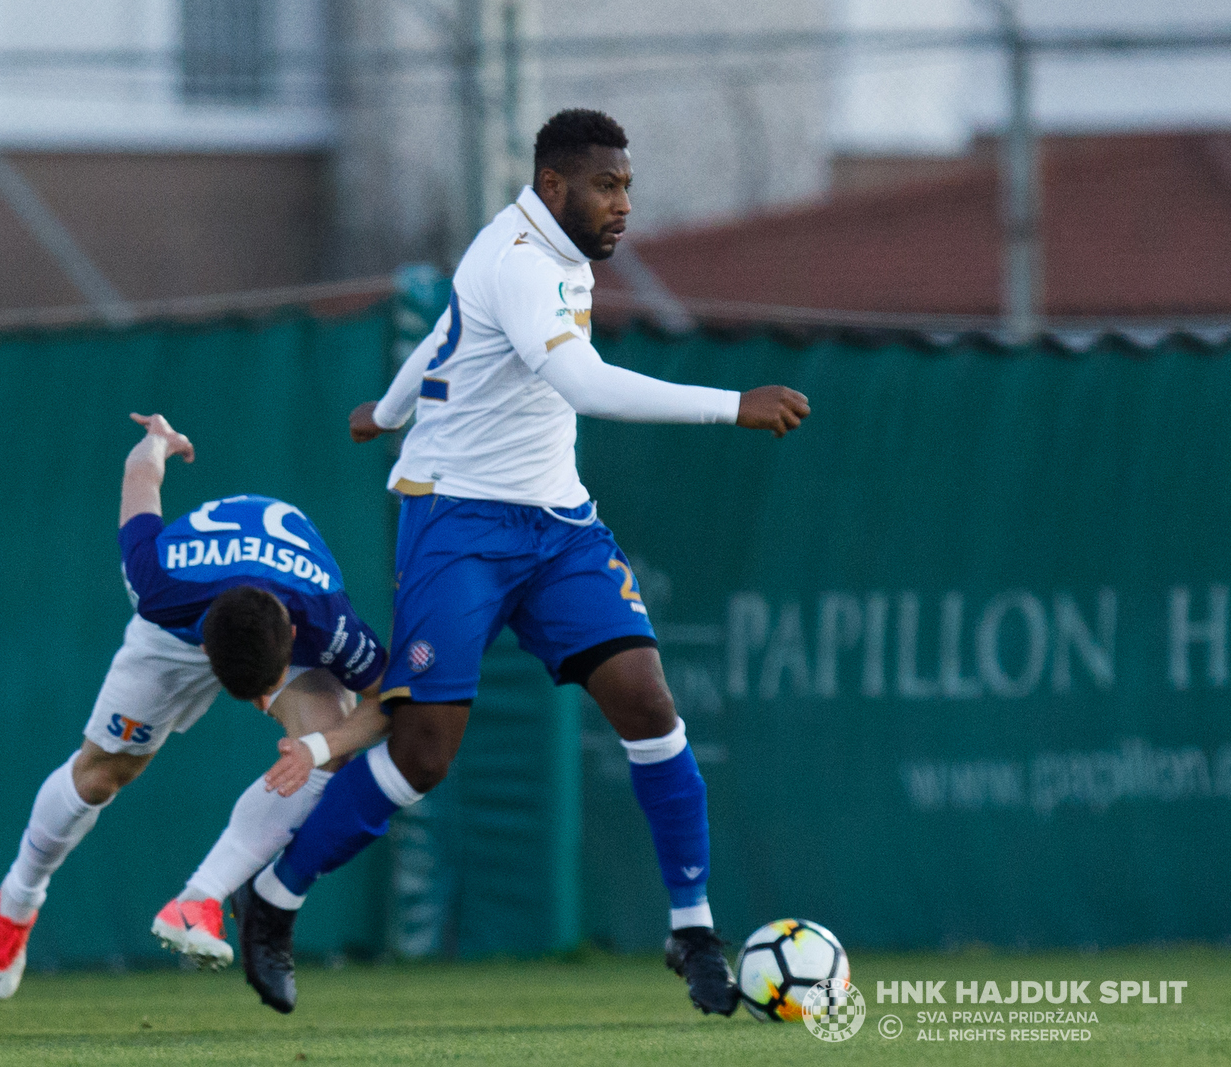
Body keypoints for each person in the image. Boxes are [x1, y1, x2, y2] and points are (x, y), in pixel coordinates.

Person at [233, 108, 810, 1016]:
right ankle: (273, 898)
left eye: (628, 186)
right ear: (554, 187)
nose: (625, 204)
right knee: (424, 754)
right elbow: (582, 383)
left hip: (557, 527)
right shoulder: (518, 259)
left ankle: (693, 927)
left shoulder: (550, 253)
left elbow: (443, 338)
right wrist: (732, 402)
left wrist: (384, 410)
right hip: (457, 522)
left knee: (648, 701)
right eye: (608, 186)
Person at [0, 412, 389, 999]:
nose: (255, 704)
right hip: (177, 631)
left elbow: (389, 700)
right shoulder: (157, 578)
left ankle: (198, 901)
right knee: (99, 777)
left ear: (297, 643)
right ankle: (19, 896)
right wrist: (157, 441)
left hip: (272, 604)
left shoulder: (324, 616)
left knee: (330, 744)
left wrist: (317, 746)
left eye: (261, 691)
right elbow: (140, 479)